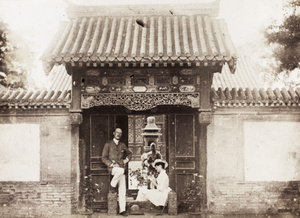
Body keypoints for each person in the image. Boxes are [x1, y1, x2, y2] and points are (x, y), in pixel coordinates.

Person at [102, 128, 132, 217]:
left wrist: (126, 160)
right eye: (117, 133)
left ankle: (122, 210)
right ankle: (113, 184)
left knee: (122, 189)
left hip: (121, 169)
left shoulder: (122, 145)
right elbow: (103, 158)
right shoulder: (108, 144)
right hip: (113, 169)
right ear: (114, 133)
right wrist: (111, 164)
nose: (118, 134)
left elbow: (129, 154)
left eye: (120, 133)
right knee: (121, 170)